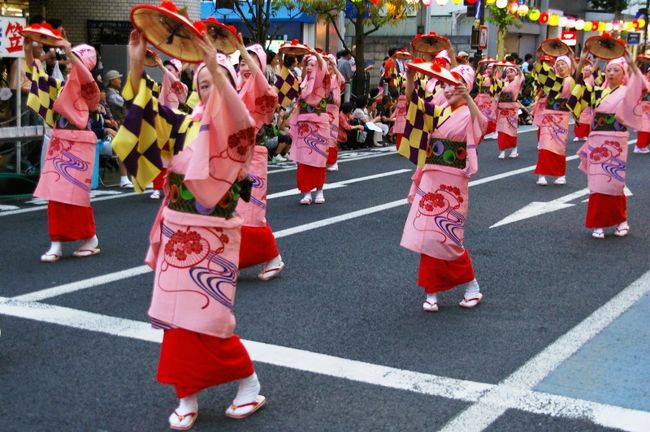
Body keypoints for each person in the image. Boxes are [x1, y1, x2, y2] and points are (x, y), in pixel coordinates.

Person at [113, 30, 266, 430]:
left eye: (214, 79)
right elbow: (145, 117)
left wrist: (215, 67)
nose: (206, 85)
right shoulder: (186, 123)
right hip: (176, 227)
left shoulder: (238, 124)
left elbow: (241, 123)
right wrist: (135, 62)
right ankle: (187, 394)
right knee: (175, 319)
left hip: (213, 234)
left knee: (209, 318)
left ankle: (249, 382)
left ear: (230, 84)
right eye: (199, 81)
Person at [399, 64, 487, 312]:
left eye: (454, 85)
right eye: (445, 84)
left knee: (448, 238)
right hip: (431, 176)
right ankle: (431, 292)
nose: (447, 90)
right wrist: (409, 77)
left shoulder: (470, 113)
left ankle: (472, 285)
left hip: (454, 180)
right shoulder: (440, 111)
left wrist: (469, 98)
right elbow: (413, 103)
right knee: (426, 234)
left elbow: (483, 125)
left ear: (467, 86)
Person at [25, 38, 101, 263]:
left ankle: (90, 238)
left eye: (72, 59)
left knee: (76, 196)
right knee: (55, 196)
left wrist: (69, 49)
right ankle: (56, 242)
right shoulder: (65, 84)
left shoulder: (90, 87)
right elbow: (37, 76)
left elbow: (84, 76)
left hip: (79, 142)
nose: (68, 63)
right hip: (61, 139)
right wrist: (28, 48)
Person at [568, 50, 642, 239]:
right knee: (597, 182)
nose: (610, 73)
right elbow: (577, 91)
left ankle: (621, 220)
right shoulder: (599, 91)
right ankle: (598, 223)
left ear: (623, 73)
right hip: (597, 139)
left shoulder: (627, 92)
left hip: (617, 139)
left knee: (614, 182)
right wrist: (579, 63)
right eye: (608, 70)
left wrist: (630, 62)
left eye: (616, 70)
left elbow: (641, 85)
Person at [235, 42, 285, 281]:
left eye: (251, 61)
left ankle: (273, 256)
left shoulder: (265, 89)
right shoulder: (236, 88)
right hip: (231, 157)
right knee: (230, 211)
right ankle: (229, 259)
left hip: (252, 155)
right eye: (242, 62)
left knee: (251, 212)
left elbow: (259, 80)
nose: (246, 66)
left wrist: (242, 50)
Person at [288, 51, 331, 205]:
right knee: (304, 160)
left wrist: (316, 55)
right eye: (307, 64)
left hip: (319, 124)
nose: (309, 67)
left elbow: (323, 66)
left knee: (319, 158)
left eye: (313, 65)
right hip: (304, 124)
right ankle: (306, 192)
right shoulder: (303, 82)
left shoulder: (322, 79)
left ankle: (319, 190)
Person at [533, 54, 575, 186]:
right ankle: (542, 174)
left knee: (559, 146)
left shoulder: (570, 80)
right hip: (548, 114)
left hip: (562, 116)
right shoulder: (551, 79)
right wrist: (538, 57)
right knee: (545, 143)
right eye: (558, 64)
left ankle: (560, 174)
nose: (560, 66)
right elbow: (538, 71)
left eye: (563, 64)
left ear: (569, 66)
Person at [105, 68, 133, 187]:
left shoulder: (114, 94)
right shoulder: (112, 95)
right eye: (118, 78)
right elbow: (127, 104)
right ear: (111, 81)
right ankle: (125, 178)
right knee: (125, 147)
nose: (120, 80)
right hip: (118, 128)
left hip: (120, 127)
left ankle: (134, 178)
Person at [494, 63, 524, 159]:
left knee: (511, 130)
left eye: (511, 71)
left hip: (512, 109)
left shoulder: (517, 81)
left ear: (515, 73)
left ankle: (514, 149)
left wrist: (517, 68)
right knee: (501, 131)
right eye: (507, 72)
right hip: (501, 109)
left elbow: (521, 76)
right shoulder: (503, 82)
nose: (509, 73)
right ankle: (502, 151)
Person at [573, 59, 595, 142]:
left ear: (590, 71)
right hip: (580, 100)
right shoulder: (582, 77)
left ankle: (585, 134)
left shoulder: (591, 78)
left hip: (587, 101)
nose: (585, 72)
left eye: (587, 70)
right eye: (584, 70)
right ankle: (578, 135)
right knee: (579, 117)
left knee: (586, 118)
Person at [632, 67, 650, 154]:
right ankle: (639, 146)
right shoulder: (644, 83)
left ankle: (643, 145)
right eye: (649, 72)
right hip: (644, 109)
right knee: (645, 128)